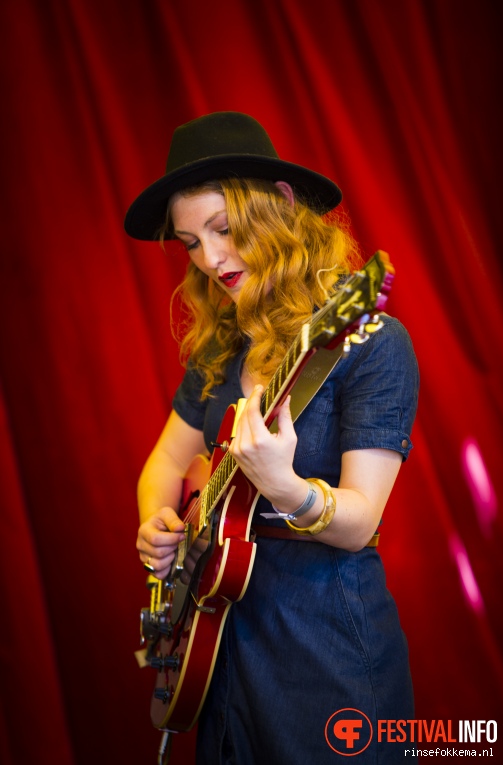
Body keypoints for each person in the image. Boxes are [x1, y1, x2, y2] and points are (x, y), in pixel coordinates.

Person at [125, 111, 419, 764]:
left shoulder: (369, 345)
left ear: (280, 205)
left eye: (224, 229)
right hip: (215, 646)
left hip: (325, 654)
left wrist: (285, 486)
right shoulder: (216, 353)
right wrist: (158, 523)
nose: (208, 259)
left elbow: (360, 518)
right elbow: (162, 464)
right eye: (189, 242)